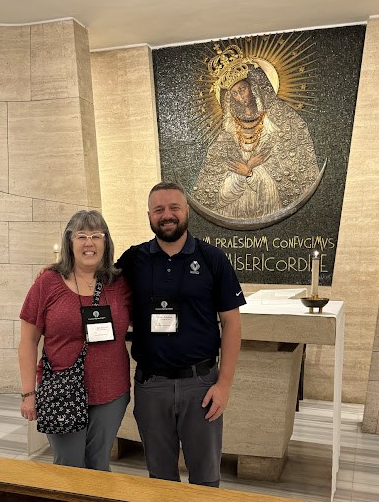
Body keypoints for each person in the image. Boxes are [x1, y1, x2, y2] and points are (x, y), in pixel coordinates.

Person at [117, 182, 244, 486]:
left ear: (186, 211)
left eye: (174, 207)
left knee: (206, 479)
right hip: (151, 387)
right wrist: (58, 271)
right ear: (149, 215)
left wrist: (224, 385)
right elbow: (92, 281)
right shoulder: (133, 260)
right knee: (160, 480)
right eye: (159, 209)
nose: (167, 215)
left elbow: (232, 324)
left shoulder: (213, 258)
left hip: (201, 386)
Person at [18, 210, 131, 471]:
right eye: (81, 236)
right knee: (69, 468)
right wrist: (28, 393)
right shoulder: (48, 282)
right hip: (61, 392)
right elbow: (27, 341)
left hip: (111, 394)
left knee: (99, 465)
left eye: (96, 235)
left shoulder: (119, 284)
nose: (89, 243)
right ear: (70, 242)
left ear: (106, 242)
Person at [193, 54, 319, 220]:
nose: (240, 96)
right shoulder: (228, 133)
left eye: (243, 89)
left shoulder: (280, 122)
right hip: (234, 210)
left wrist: (252, 173)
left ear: (254, 88)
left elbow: (294, 178)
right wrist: (246, 170)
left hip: (269, 203)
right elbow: (213, 193)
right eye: (235, 93)